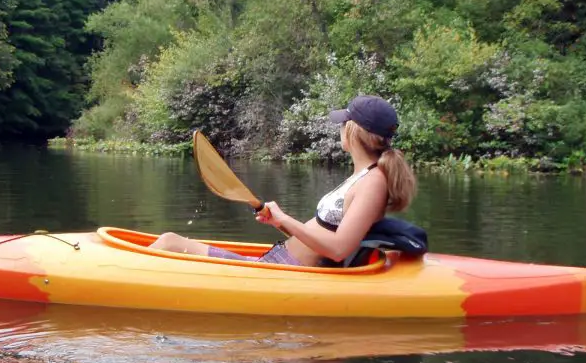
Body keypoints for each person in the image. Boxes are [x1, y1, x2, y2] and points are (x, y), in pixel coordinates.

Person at [148, 95, 417, 266]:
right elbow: (323, 235)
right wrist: (279, 221)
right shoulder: (363, 176)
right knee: (169, 241)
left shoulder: (373, 183)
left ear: (353, 130)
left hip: (284, 273)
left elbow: (338, 249)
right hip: (276, 263)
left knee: (170, 242)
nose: (339, 129)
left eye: (342, 123)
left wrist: (285, 218)